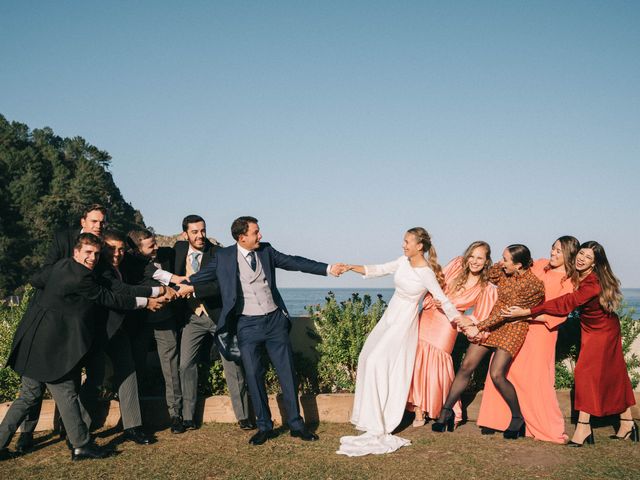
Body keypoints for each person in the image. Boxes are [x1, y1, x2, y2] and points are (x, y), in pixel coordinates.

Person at [179, 216, 346, 445]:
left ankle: (297, 425)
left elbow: (294, 262)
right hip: (247, 324)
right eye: (256, 232)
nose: (261, 236)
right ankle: (264, 426)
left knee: (287, 373)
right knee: (253, 375)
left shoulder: (266, 251)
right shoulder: (224, 256)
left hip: (275, 321)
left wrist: (327, 269)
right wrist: (175, 287)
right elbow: (200, 277)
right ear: (242, 237)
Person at [0, 234, 162, 461]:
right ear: (76, 252)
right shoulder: (81, 277)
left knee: (28, 396)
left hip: (34, 341)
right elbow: (108, 297)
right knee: (66, 393)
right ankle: (81, 445)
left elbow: (38, 279)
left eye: (96, 254)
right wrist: (148, 299)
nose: (92, 258)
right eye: (87, 252)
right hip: (50, 348)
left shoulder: (62, 265)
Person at [336, 228, 463, 457]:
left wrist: (460, 319)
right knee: (367, 357)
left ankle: (380, 421)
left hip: (404, 323)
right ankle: (368, 417)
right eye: (404, 241)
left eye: (407, 242)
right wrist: (350, 267)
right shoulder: (402, 261)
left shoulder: (426, 273)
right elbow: (379, 269)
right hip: (390, 316)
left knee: (377, 362)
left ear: (419, 246)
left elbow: (442, 299)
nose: (403, 245)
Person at [502, 241, 637, 446]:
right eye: (581, 253)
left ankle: (583, 428)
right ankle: (627, 423)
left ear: (594, 264)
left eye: (588, 257)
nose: (582, 258)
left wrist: (527, 312)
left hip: (604, 330)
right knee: (615, 373)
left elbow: (565, 303)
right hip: (590, 328)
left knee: (585, 373)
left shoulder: (592, 283)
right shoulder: (576, 273)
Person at [12, 204, 108, 453]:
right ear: (83, 221)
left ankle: (72, 436)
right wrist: (63, 283)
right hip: (49, 324)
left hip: (71, 329)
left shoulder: (102, 249)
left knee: (45, 390)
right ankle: (30, 436)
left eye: (102, 223)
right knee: (48, 390)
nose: (99, 226)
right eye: (95, 221)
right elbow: (40, 276)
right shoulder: (63, 242)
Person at [432, 244, 545, 439]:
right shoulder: (501, 271)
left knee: (497, 373)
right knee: (466, 365)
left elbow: (506, 313)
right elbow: (481, 273)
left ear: (518, 265)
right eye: (501, 258)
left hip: (511, 328)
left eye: (506, 259)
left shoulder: (533, 285)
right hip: (490, 325)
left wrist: (479, 326)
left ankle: (517, 418)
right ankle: (446, 412)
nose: (502, 262)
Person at [478, 236, 579, 443]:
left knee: (535, 380)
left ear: (569, 254)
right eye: (553, 248)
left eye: (559, 251)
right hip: (514, 327)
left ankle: (542, 426)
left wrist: (525, 313)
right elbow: (513, 272)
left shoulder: (569, 282)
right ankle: (496, 419)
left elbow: (559, 315)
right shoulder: (540, 265)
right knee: (504, 371)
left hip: (541, 332)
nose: (553, 253)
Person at [173, 215, 253, 431]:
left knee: (232, 364)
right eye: (195, 232)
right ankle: (188, 417)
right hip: (192, 319)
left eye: (203, 230)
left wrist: (194, 289)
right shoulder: (178, 250)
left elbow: (221, 285)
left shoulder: (218, 253)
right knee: (185, 365)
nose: (200, 236)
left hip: (218, 317)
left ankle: (244, 416)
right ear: (185, 234)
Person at [407, 241, 497, 427]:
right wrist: (434, 299)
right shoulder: (456, 265)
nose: (474, 261)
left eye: (480, 258)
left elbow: (481, 316)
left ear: (487, 261)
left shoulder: (486, 287)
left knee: (438, 363)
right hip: (431, 314)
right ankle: (418, 411)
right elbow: (436, 282)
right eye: (471, 256)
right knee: (418, 360)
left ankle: (445, 409)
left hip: (448, 325)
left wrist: (463, 317)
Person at [124, 229, 185, 434]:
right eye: (151, 246)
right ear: (137, 249)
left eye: (156, 243)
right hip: (138, 322)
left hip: (164, 319)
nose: (156, 247)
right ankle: (135, 418)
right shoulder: (129, 264)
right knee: (135, 367)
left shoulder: (165, 255)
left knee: (171, 366)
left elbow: (179, 251)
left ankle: (176, 414)